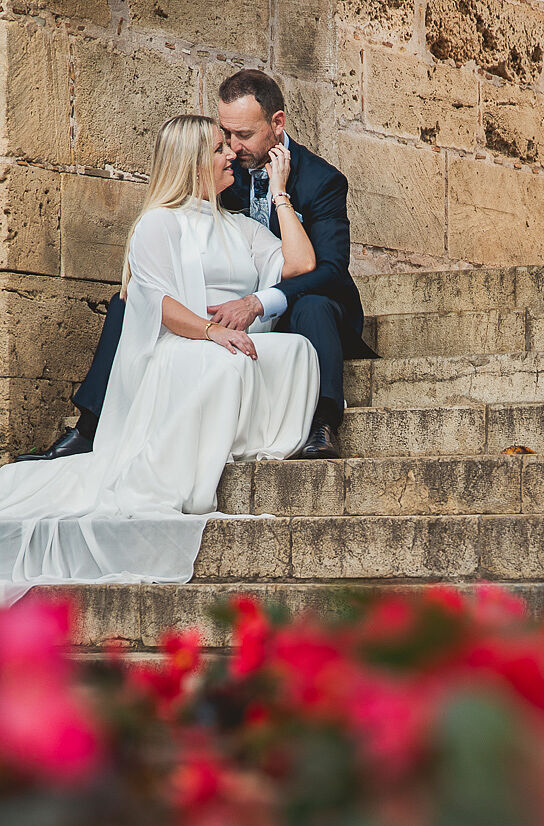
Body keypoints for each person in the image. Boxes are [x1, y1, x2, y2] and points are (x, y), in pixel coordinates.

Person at [0, 114, 319, 594]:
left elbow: (301, 264)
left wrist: (279, 192)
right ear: (191, 164)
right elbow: (158, 304)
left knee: (296, 350)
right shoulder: (159, 224)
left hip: (224, 339)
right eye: (217, 149)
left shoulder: (238, 227)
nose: (231, 153)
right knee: (224, 361)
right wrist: (212, 332)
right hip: (181, 346)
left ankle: (248, 440)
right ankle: (188, 464)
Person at [18, 70, 374, 466]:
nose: (233, 148)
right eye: (226, 135)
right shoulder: (224, 169)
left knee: (316, 304)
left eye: (243, 135)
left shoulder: (322, 180)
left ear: (277, 124)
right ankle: (90, 426)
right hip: (215, 307)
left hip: (293, 301)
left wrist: (259, 299)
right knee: (127, 303)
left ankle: (324, 419)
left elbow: (326, 270)